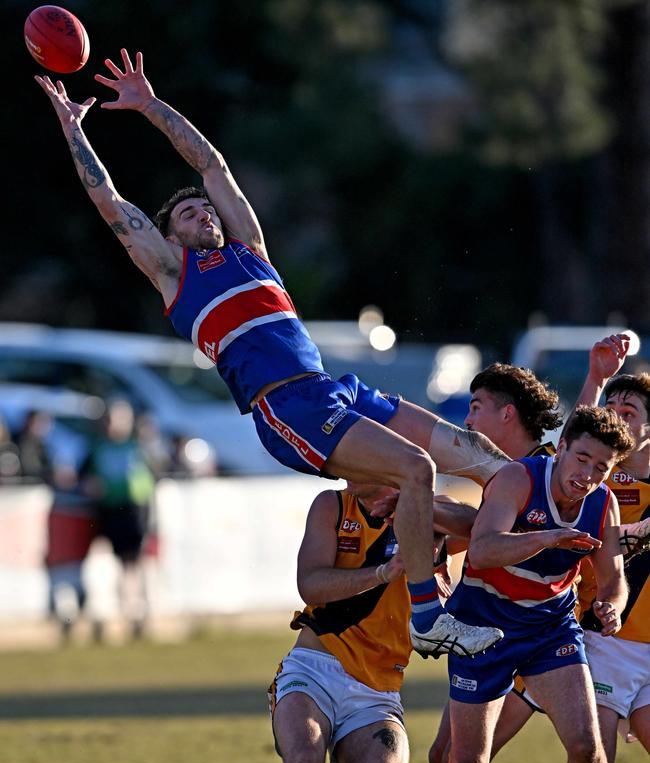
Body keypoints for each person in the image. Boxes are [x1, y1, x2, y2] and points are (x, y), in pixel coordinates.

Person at [36, 50, 508, 656]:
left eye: (203, 207)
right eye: (186, 213)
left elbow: (211, 165)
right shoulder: (174, 276)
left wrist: (152, 107)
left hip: (333, 388)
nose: (202, 211)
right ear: (170, 235)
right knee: (416, 469)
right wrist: (74, 129)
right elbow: (111, 206)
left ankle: (550, 537)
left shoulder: (251, 248)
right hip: (287, 407)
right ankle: (427, 617)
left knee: (482, 462)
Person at [437, 406, 634, 763]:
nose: (587, 475)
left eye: (600, 468)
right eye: (581, 459)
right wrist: (548, 537)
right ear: (561, 447)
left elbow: (613, 579)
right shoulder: (517, 479)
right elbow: (482, 550)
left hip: (549, 628)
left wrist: (613, 606)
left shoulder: (604, 502)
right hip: (481, 628)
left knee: (588, 749)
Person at [269, 481, 476, 763]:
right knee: (302, 762)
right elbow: (310, 585)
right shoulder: (333, 506)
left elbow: (478, 524)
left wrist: (422, 510)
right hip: (314, 669)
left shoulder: (421, 508)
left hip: (378, 689)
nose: (349, 469)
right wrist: (382, 572)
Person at [506, 336, 650, 763]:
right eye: (611, 407)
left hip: (643, 648)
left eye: (629, 411)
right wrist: (597, 376)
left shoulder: (616, 479)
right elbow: (581, 439)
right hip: (594, 639)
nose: (616, 416)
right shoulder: (598, 482)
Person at [430, 363, 564, 763]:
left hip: (535, 639)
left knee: (460, 761)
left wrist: (429, 508)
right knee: (453, 760)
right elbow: (482, 534)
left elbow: (491, 539)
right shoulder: (506, 474)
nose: (466, 420)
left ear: (508, 414)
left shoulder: (543, 471)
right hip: (502, 635)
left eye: (476, 407)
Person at [80, 398, 156, 640]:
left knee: (136, 561)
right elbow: (84, 478)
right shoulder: (97, 449)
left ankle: (139, 613)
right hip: (110, 510)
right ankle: (116, 613)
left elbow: (155, 473)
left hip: (135, 510)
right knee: (116, 562)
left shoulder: (139, 447)